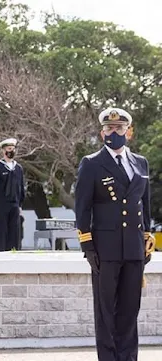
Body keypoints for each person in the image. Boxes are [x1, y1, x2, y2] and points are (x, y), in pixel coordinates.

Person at [74, 107, 155, 361]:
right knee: (106, 312)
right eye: (109, 129)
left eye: (119, 128)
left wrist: (147, 240)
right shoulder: (92, 163)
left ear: (128, 132)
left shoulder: (140, 163)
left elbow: (146, 205)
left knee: (130, 311)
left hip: (133, 248)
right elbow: (82, 208)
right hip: (104, 249)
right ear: (102, 133)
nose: (114, 133)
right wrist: (88, 247)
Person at [0, 138, 25, 251]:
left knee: (14, 230)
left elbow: (21, 188)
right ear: (4, 151)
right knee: (1, 230)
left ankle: (13, 250)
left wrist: (20, 205)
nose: (11, 151)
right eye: (9, 149)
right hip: (1, 204)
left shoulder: (18, 168)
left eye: (13, 149)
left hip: (15, 204)